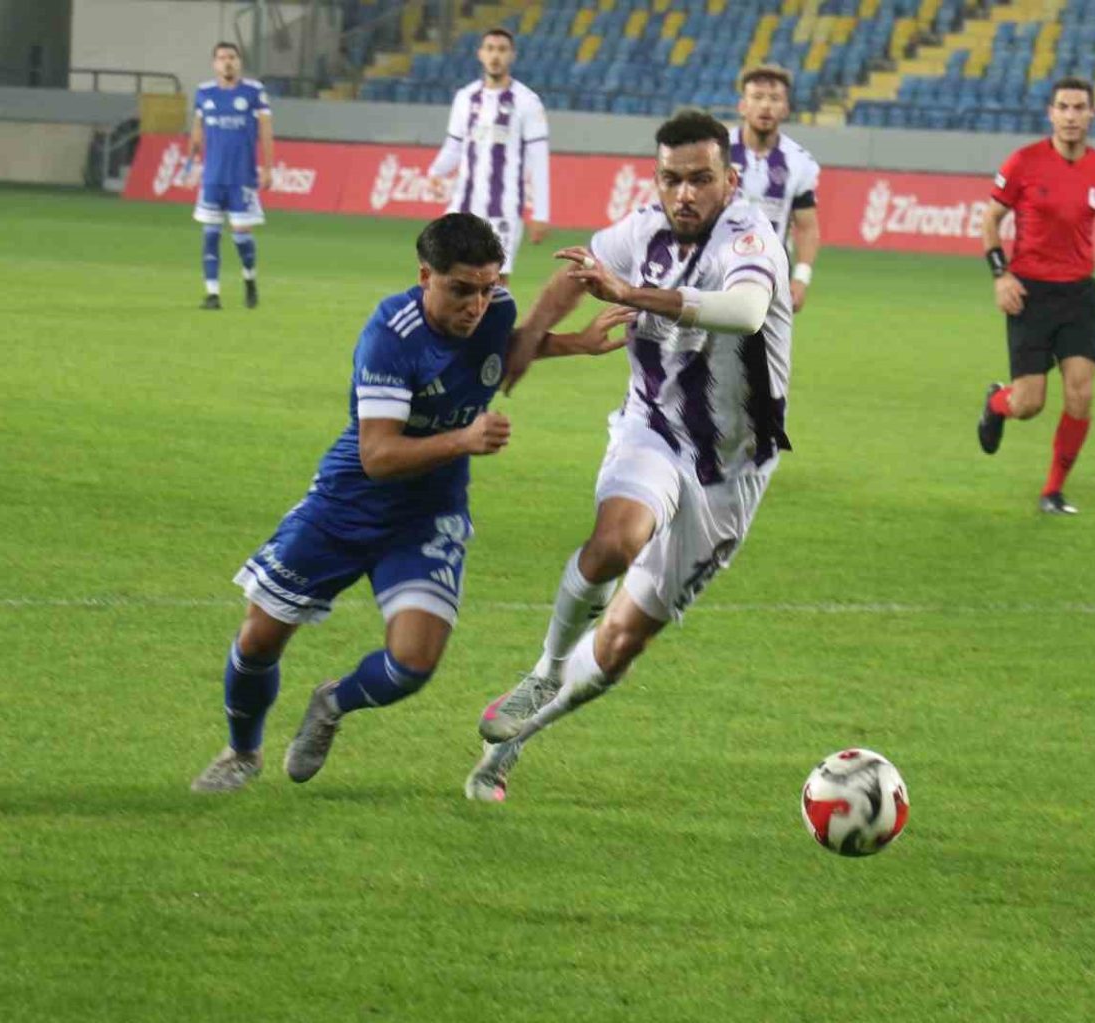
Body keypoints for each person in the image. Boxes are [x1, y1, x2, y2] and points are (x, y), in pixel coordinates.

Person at [190, 214, 630, 792]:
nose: (476, 305)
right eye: (460, 290)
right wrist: (464, 440)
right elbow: (378, 455)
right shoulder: (391, 336)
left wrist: (577, 344)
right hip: (347, 504)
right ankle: (243, 752)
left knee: (412, 665)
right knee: (259, 639)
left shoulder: (494, 310)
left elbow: (495, 355)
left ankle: (332, 703)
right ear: (425, 275)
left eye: (487, 288)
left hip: (429, 512)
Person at [463, 110, 794, 803]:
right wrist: (530, 335)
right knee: (616, 541)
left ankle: (512, 744)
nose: (684, 194)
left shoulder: (751, 236)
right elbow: (579, 273)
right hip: (653, 429)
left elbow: (744, 311)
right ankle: (545, 670)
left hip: (730, 470)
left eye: (700, 179)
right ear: (657, 178)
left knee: (619, 645)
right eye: (671, 179)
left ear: (730, 181)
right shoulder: (640, 230)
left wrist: (630, 294)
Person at [975, 76, 1095, 515]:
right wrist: (1001, 276)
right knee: (1029, 404)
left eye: (1079, 108)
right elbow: (990, 220)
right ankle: (998, 404)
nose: (1071, 116)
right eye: (1063, 107)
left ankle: (1053, 491)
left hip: (1078, 296)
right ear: (1051, 113)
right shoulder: (1024, 163)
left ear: (1092, 114)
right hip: (1030, 293)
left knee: (1081, 393)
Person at [426, 28, 550, 280]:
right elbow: (454, 146)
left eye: (502, 50)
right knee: (445, 276)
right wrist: (435, 172)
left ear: (512, 55)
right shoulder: (465, 98)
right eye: (490, 49)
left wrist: (541, 213)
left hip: (503, 209)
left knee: (495, 281)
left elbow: (539, 162)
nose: (495, 56)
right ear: (480, 54)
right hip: (462, 205)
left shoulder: (527, 101)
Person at [188, 41, 274, 311]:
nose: (227, 62)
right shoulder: (204, 93)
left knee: (241, 236)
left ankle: (249, 279)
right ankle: (212, 294)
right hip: (212, 177)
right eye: (222, 58)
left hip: (242, 177)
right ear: (214, 63)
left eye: (232, 57)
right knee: (210, 234)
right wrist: (191, 165)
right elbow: (197, 131)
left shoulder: (254, 92)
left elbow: (266, 131)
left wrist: (268, 168)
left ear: (239, 62)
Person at [730, 65, 821, 313]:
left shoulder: (800, 162)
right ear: (743, 106)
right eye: (757, 97)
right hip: (717, 271)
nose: (766, 106)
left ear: (785, 109)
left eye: (775, 98)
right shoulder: (716, 152)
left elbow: (807, 227)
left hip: (773, 277)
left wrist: (801, 278)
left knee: (764, 341)